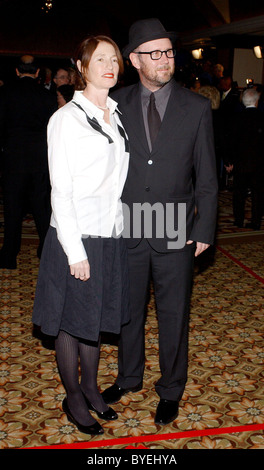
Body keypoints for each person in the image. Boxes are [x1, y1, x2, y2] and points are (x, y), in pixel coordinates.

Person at [102, 18, 218, 425]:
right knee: (127, 312)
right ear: (134, 60)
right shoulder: (115, 105)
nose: (164, 59)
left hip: (175, 228)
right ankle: (130, 376)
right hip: (129, 225)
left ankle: (171, 388)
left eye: (168, 51)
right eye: (154, 53)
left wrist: (204, 230)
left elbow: (206, 177)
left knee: (173, 316)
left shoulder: (197, 106)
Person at [32, 35, 130, 435]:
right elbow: (62, 191)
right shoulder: (66, 119)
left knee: (95, 318)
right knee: (72, 323)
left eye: (114, 59)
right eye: (100, 59)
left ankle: (91, 388)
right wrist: (75, 252)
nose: (109, 65)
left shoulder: (116, 113)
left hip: (110, 233)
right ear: (82, 66)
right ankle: (73, 396)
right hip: (76, 236)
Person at [0, 55, 57, 269]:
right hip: (40, 159)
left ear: (16, 71)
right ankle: (47, 253)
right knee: (42, 210)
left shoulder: (5, 93)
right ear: (36, 73)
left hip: (13, 159)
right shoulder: (47, 96)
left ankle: (8, 256)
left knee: (13, 209)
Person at [227, 87, 264, 230]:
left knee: (239, 194)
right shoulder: (262, 118)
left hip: (241, 162)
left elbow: (231, 142)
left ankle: (238, 220)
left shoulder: (236, 119)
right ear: (256, 101)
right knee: (258, 194)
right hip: (259, 164)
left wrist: (229, 160)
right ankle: (255, 222)